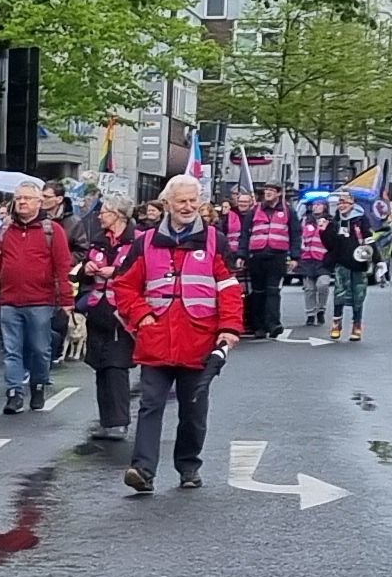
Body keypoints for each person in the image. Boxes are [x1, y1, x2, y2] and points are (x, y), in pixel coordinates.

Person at [115, 171, 241, 495]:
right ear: (167, 204)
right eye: (181, 201)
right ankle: (143, 470)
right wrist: (141, 316)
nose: (187, 206)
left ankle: (188, 466)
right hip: (156, 339)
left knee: (193, 410)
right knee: (150, 404)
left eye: (192, 200)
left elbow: (228, 288)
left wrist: (228, 329)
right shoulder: (144, 242)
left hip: (199, 339)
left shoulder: (215, 240)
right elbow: (124, 286)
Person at [0, 177, 71, 418]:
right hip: (10, 301)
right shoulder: (5, 230)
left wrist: (67, 300)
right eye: (18, 198)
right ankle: (14, 393)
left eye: (27, 198)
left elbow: (62, 267)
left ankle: (38, 385)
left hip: (41, 301)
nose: (21, 203)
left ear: (40, 202)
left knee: (40, 349)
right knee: (11, 350)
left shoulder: (53, 231)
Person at [73, 194, 140, 443]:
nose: (99, 215)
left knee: (116, 367)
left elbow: (140, 272)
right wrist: (87, 269)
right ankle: (106, 421)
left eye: (104, 211)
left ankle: (119, 422)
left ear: (118, 215)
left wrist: (117, 272)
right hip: (97, 309)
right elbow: (81, 275)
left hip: (121, 313)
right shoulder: (99, 241)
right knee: (101, 366)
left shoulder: (137, 241)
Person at [239, 184, 296, 340]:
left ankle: (273, 324)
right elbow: (245, 234)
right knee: (258, 292)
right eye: (266, 191)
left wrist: (295, 257)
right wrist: (242, 255)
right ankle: (259, 327)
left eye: (271, 191)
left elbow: (295, 234)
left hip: (277, 256)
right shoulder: (254, 211)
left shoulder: (288, 211)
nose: (268, 193)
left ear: (279, 193)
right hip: (257, 256)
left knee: (273, 291)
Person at [320, 194, 377, 340]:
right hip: (341, 263)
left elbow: (369, 239)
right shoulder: (335, 221)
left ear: (353, 204)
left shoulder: (360, 220)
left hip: (359, 263)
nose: (342, 205)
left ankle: (356, 325)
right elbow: (330, 245)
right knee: (339, 294)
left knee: (358, 295)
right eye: (340, 203)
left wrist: (378, 260)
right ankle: (336, 324)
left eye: (345, 203)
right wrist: (323, 231)